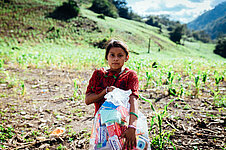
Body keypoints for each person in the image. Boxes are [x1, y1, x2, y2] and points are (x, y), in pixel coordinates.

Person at [85, 39, 139, 150]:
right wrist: (105, 92)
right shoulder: (99, 75)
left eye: (120, 55)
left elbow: (133, 99)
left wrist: (132, 127)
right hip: (102, 126)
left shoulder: (130, 75)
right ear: (107, 57)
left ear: (126, 58)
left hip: (124, 126)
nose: (115, 59)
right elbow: (88, 99)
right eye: (112, 55)